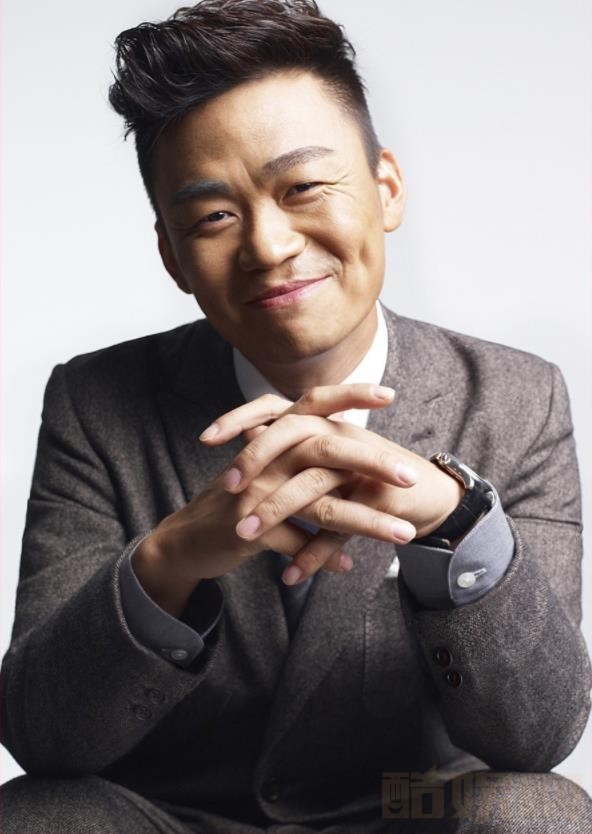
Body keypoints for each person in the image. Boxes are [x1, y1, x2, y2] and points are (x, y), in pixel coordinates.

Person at [1, 1, 591, 832]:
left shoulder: (518, 397)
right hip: (179, 811)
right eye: (214, 216)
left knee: (539, 810)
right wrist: (169, 561)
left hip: (401, 807)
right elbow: (45, 737)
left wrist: (450, 523)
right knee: (37, 813)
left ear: (385, 189)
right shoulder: (95, 401)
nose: (269, 246)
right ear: (172, 256)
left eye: (304, 188)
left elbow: (537, 734)